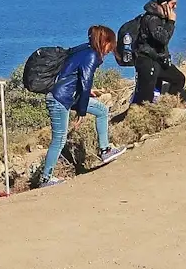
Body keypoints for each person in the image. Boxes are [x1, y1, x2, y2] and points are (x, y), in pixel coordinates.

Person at [40, 25, 126, 188]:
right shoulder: (92, 55)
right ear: (104, 41)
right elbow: (85, 83)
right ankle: (46, 179)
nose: (110, 49)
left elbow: (73, 77)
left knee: (101, 110)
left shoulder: (83, 51)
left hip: (66, 96)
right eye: (110, 44)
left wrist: (87, 93)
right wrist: (81, 112)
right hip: (60, 99)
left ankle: (105, 150)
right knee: (59, 139)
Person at [131, 0, 186, 105]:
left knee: (178, 79)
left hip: (159, 60)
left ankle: (166, 105)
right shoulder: (151, 19)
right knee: (146, 99)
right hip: (147, 61)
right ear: (164, 4)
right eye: (173, 4)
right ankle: (142, 117)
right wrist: (171, 22)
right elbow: (163, 39)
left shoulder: (161, 17)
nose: (175, 7)